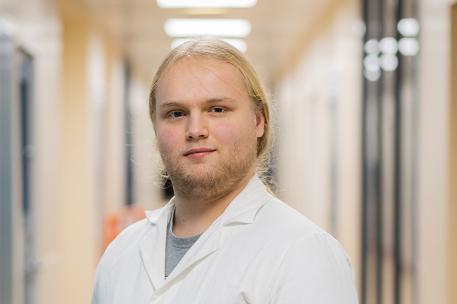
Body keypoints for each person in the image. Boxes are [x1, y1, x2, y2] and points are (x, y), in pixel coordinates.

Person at [92, 38, 358, 304]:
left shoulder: (304, 254)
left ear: (258, 121)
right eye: (176, 113)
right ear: (156, 129)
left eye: (217, 109)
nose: (195, 130)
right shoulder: (121, 252)